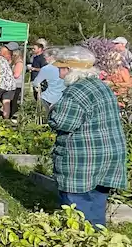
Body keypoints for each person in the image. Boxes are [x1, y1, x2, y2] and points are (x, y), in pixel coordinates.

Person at [48, 45, 127, 226]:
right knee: (97, 200)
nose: (59, 73)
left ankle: (79, 244)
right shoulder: (101, 86)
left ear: (70, 70)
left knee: (76, 204)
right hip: (108, 153)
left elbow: (64, 123)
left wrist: (52, 111)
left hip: (84, 156)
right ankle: (98, 241)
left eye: (61, 69)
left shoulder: (75, 91)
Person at [0, 45, 19, 119]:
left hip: (2, 85)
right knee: (6, 102)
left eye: (0, 51)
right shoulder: (5, 61)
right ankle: (6, 119)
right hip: (11, 85)